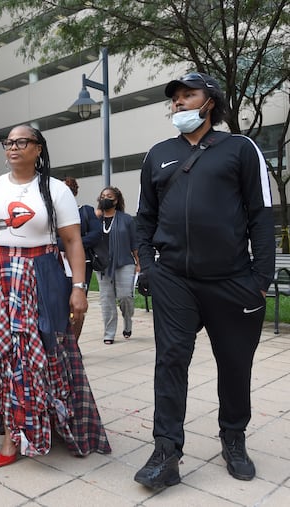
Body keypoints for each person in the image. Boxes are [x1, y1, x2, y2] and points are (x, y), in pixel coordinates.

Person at [134, 72, 274, 489]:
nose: (178, 103)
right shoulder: (158, 154)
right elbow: (145, 218)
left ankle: (233, 437)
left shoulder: (239, 148)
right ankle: (166, 451)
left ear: (209, 101)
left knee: (234, 365)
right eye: (174, 98)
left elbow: (261, 216)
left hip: (232, 279)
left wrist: (260, 279)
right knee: (170, 361)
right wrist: (149, 267)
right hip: (174, 279)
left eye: (187, 95)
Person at [0, 125, 111, 467]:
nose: (14, 147)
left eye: (23, 142)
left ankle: (30, 427)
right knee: (1, 354)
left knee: (35, 355)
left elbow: (73, 241)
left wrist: (80, 289)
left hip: (40, 276)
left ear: (38, 149)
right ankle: (12, 426)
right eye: (9, 142)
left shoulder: (55, 190)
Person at [58, 176, 102, 339]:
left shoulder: (86, 210)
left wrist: (74, 243)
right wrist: (68, 243)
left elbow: (96, 235)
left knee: (77, 305)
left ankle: (73, 344)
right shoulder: (50, 214)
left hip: (81, 264)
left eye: (67, 190)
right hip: (57, 263)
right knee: (58, 303)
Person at [96, 186, 139, 344]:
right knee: (107, 300)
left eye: (109, 196)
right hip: (102, 265)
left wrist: (138, 263)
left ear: (116, 200)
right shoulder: (96, 220)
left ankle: (127, 321)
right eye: (102, 196)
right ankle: (109, 333)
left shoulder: (126, 219)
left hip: (124, 262)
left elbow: (134, 242)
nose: (105, 198)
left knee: (125, 296)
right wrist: (96, 215)